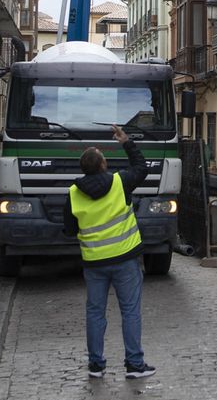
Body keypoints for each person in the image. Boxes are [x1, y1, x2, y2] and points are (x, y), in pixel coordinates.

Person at [63, 124, 156, 379]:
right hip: (125, 260)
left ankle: (96, 366)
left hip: (94, 263)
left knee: (95, 312)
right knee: (130, 311)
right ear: (103, 165)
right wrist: (125, 141)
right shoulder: (120, 182)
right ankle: (134, 365)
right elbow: (142, 168)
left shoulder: (73, 193)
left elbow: (69, 230)